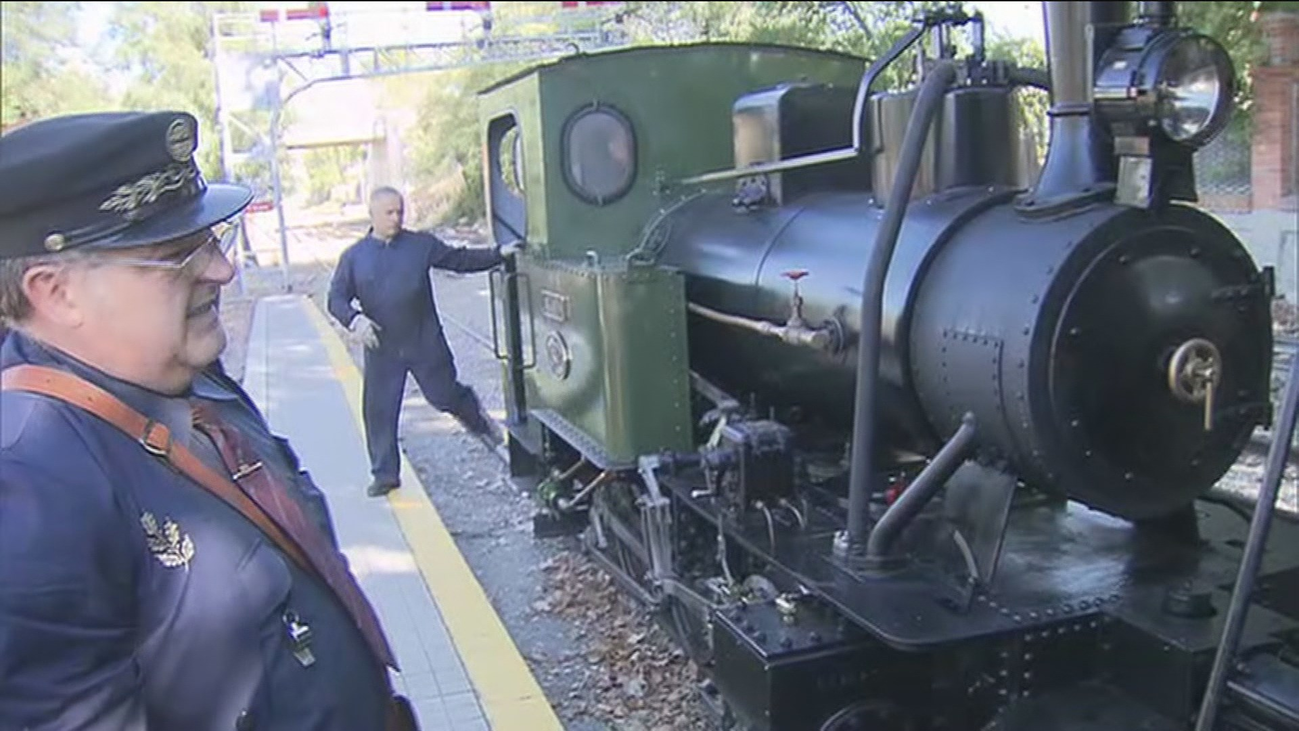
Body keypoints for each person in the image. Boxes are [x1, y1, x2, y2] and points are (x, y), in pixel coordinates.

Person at [0, 112, 414, 731]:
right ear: (56, 293)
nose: (222, 269)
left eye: (212, 239)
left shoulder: (190, 376)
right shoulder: (29, 491)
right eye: (177, 256)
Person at [327, 186, 513, 498]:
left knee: (443, 397)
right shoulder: (354, 258)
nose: (396, 218)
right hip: (382, 347)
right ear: (372, 215)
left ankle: (475, 416)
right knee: (379, 411)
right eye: (389, 212)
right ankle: (385, 474)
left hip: (424, 342)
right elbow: (335, 298)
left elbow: (459, 260)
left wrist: (497, 255)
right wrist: (354, 319)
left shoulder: (419, 245)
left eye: (400, 211)